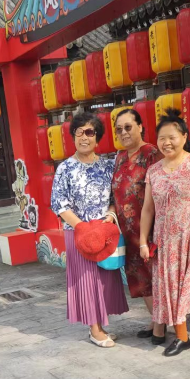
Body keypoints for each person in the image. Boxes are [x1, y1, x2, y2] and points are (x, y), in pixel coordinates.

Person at [138, 109, 190, 359]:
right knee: (172, 289)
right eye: (162, 138)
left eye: (172, 137)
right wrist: (143, 241)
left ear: (184, 137)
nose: (167, 142)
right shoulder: (153, 171)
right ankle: (182, 337)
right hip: (166, 243)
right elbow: (148, 209)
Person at [51, 112, 128, 348]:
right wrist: (82, 228)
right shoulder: (65, 168)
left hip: (104, 232)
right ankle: (94, 329)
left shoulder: (107, 165)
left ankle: (100, 325)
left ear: (98, 138)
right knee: (87, 281)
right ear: (73, 136)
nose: (84, 137)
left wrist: (111, 215)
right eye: (79, 132)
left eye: (90, 132)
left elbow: (115, 197)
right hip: (79, 231)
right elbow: (59, 203)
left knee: (104, 279)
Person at [110, 109, 164, 343]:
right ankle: (155, 322)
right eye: (119, 129)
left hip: (148, 229)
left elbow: (160, 191)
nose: (123, 133)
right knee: (141, 279)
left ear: (141, 126)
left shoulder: (152, 154)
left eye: (128, 127)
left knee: (154, 276)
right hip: (127, 231)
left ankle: (161, 325)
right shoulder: (120, 157)